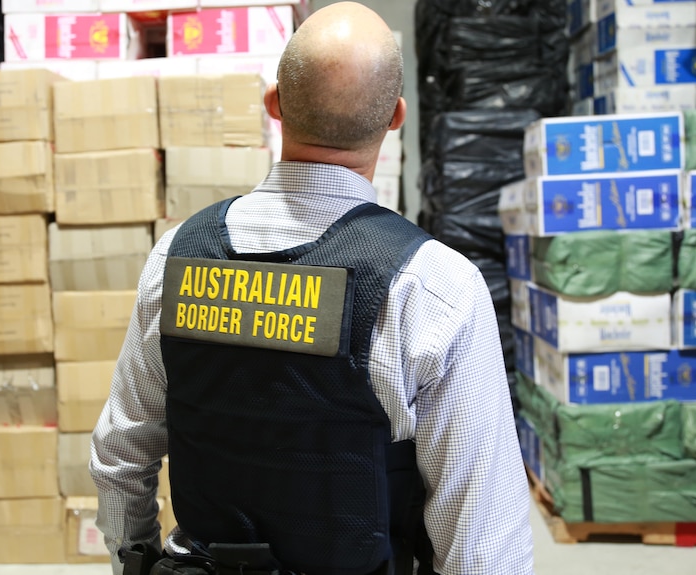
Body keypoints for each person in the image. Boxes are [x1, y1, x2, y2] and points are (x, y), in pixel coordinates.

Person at [90, 2, 534, 574]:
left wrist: (140, 558)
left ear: (273, 104)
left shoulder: (176, 256)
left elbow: (121, 453)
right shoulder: (433, 287)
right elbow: (480, 538)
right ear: (395, 117)